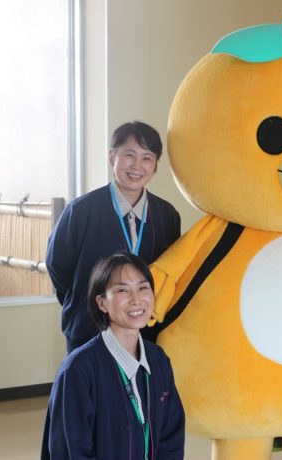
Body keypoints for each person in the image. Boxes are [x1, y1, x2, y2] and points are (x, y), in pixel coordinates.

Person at [46, 121, 181, 353]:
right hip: (89, 329)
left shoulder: (167, 215)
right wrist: (87, 300)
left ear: (155, 165)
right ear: (111, 156)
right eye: (129, 155)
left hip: (145, 333)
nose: (137, 166)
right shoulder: (80, 211)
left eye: (147, 158)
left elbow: (170, 272)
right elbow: (58, 267)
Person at [41, 252, 185, 460]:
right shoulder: (77, 371)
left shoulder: (159, 360)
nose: (136, 300)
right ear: (102, 303)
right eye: (122, 290)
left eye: (143, 288)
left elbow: (171, 439)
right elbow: (70, 452)